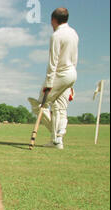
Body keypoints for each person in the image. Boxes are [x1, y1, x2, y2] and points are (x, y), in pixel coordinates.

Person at [28, 8, 79, 150]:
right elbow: (74, 59)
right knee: (59, 107)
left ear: (53, 20)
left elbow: (53, 62)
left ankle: (57, 133)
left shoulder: (56, 35)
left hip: (60, 75)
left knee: (38, 105)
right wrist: (71, 83)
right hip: (71, 74)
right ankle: (57, 141)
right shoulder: (74, 33)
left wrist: (49, 84)